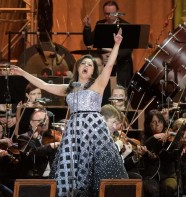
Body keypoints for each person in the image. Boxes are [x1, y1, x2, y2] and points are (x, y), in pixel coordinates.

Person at [10, 28, 128, 197]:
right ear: (77, 68)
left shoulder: (98, 85)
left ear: (93, 70)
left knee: (98, 167)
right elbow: (43, 85)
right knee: (70, 168)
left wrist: (116, 44)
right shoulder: (69, 88)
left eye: (90, 64)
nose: (86, 66)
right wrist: (23, 73)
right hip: (74, 131)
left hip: (93, 129)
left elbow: (109, 66)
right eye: (83, 63)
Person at [83, 0, 133, 88]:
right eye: (106, 14)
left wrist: (113, 56)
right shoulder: (100, 24)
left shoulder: (125, 25)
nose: (109, 16)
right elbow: (89, 41)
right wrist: (87, 27)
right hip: (103, 66)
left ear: (117, 12)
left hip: (120, 67)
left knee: (118, 92)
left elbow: (128, 49)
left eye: (112, 13)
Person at [17, 108, 60, 178]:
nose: (45, 123)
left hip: (53, 176)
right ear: (31, 122)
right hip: (35, 177)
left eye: (47, 120)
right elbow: (30, 154)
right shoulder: (24, 137)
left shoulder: (53, 136)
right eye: (40, 121)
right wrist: (50, 146)